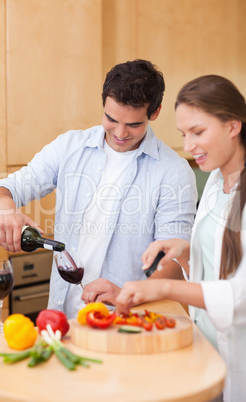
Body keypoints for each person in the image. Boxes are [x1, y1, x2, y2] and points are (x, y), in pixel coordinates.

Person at [0, 59, 197, 319]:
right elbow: (4, 187)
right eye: (111, 118)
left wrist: (129, 293)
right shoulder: (69, 147)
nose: (120, 132)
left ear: (156, 112)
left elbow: (174, 258)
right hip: (62, 319)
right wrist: (3, 207)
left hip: (127, 321)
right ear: (103, 102)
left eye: (134, 124)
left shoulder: (174, 171)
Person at [115, 74, 246, 402]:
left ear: (233, 126)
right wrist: (185, 254)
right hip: (209, 357)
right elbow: (216, 272)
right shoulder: (216, 182)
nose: (188, 146)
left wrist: (162, 286)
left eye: (198, 132)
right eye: (184, 134)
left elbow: (239, 296)